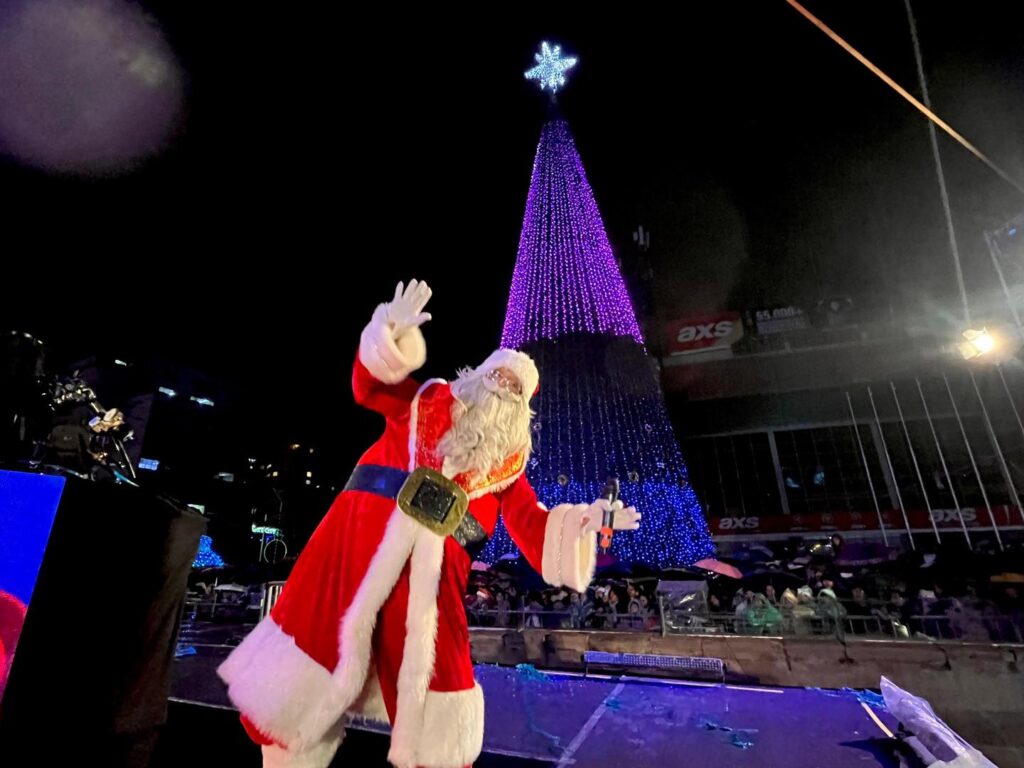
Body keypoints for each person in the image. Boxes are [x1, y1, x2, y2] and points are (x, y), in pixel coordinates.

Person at [217, 280, 640, 768]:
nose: (503, 388)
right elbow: (371, 386)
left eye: (515, 388)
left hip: (431, 597)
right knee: (297, 702)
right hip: (350, 562)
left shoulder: (508, 471)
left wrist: (587, 520)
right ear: (478, 375)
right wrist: (390, 336)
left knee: (438, 721)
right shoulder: (423, 404)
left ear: (523, 409)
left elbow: (537, 531)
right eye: (499, 376)